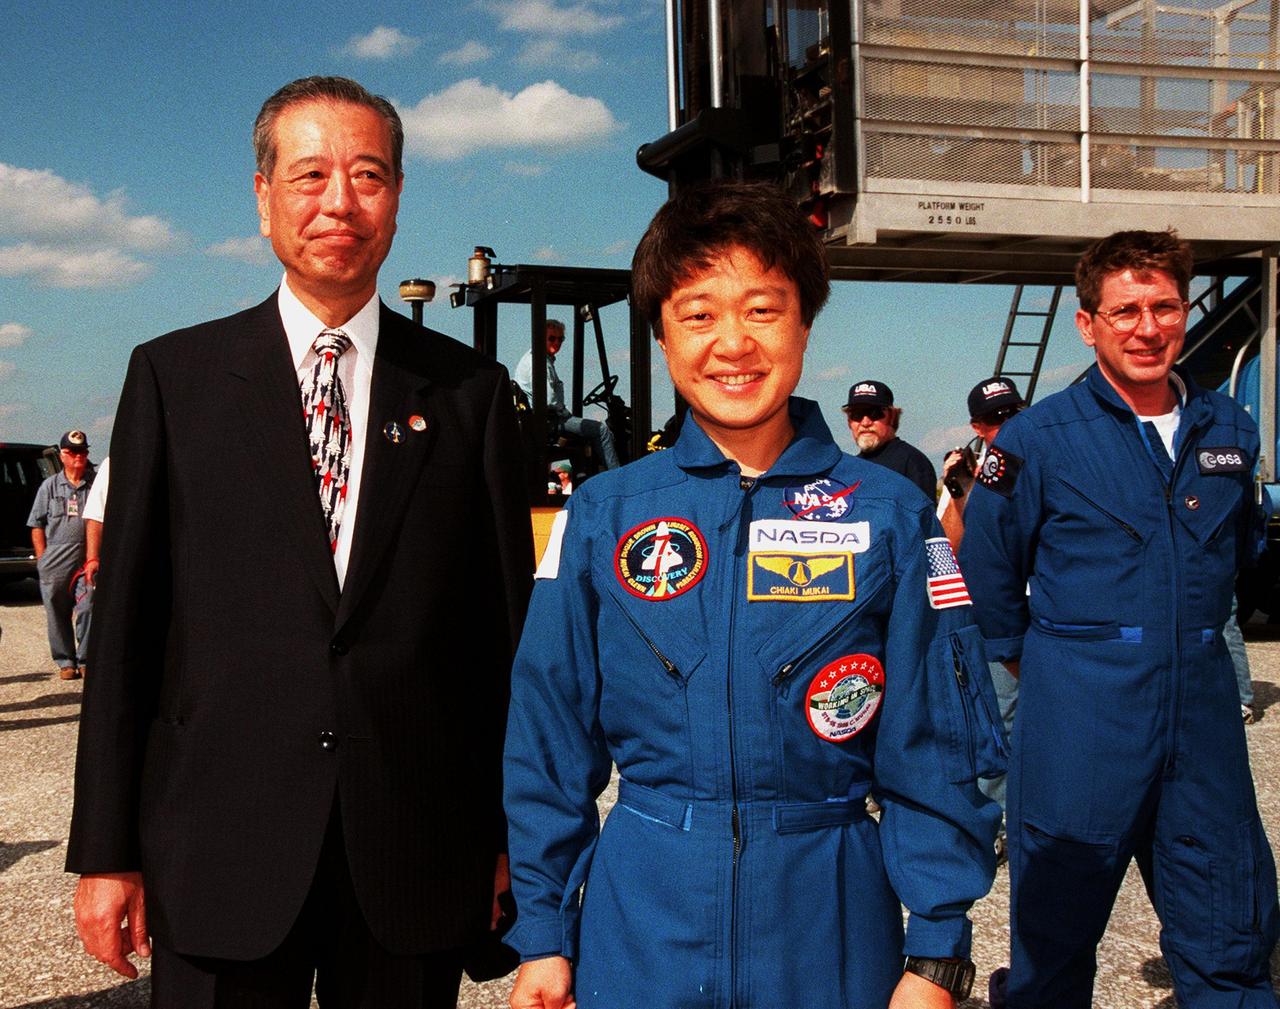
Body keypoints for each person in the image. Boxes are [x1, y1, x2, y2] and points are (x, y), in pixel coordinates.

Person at [66, 76, 533, 1007]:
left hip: (411, 850)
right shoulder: (175, 379)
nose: (339, 202)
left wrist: (509, 833)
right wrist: (107, 851)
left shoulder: (469, 394)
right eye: (310, 174)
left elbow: (501, 639)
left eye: (368, 175)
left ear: (396, 196)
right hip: (219, 847)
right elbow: (125, 637)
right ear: (262, 195)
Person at [504, 179, 1004, 1009]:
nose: (732, 342)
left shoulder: (890, 515)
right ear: (661, 334)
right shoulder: (601, 515)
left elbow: (936, 742)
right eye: (698, 314)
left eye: (763, 310)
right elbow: (547, 736)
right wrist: (546, 935)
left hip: (831, 925)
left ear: (804, 324)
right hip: (642, 925)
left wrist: (936, 952)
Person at [960, 229, 1280, 1008]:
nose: (1147, 327)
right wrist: (1047, 667)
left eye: (1164, 307)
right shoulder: (1035, 440)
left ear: (1185, 310)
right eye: (1125, 310)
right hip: (1081, 724)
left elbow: (1241, 551)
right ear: (1087, 324)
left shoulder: (1230, 430)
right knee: (1053, 951)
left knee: (1230, 937)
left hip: (1202, 724)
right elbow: (988, 574)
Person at [937, 377, 1026, 819]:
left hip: (1049, 612)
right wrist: (959, 490)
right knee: (999, 719)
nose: (1006, 424)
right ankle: (1000, 819)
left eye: (1014, 413)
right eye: (995, 418)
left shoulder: (1049, 457)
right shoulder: (974, 474)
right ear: (977, 427)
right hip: (998, 616)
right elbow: (949, 550)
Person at [28, 430, 95, 680]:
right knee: (56, 612)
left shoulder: (95, 484)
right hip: (55, 559)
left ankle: (86, 659)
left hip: (86, 558)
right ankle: (66, 661)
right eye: (73, 452)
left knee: (89, 605)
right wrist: (42, 558)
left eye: (83, 451)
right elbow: (36, 524)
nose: (79, 456)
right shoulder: (49, 487)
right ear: (63, 455)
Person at [514, 319, 621, 470]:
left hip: (542, 421)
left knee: (584, 437)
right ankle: (617, 477)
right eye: (552, 338)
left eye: (560, 339)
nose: (557, 342)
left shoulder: (538, 359)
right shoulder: (538, 362)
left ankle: (583, 474)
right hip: (549, 422)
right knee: (601, 430)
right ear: (539, 338)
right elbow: (549, 400)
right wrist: (565, 413)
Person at [843, 380, 937, 499]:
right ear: (849, 421)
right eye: (857, 414)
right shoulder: (850, 468)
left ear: (892, 417)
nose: (865, 423)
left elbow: (924, 509)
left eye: (875, 413)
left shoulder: (913, 462)